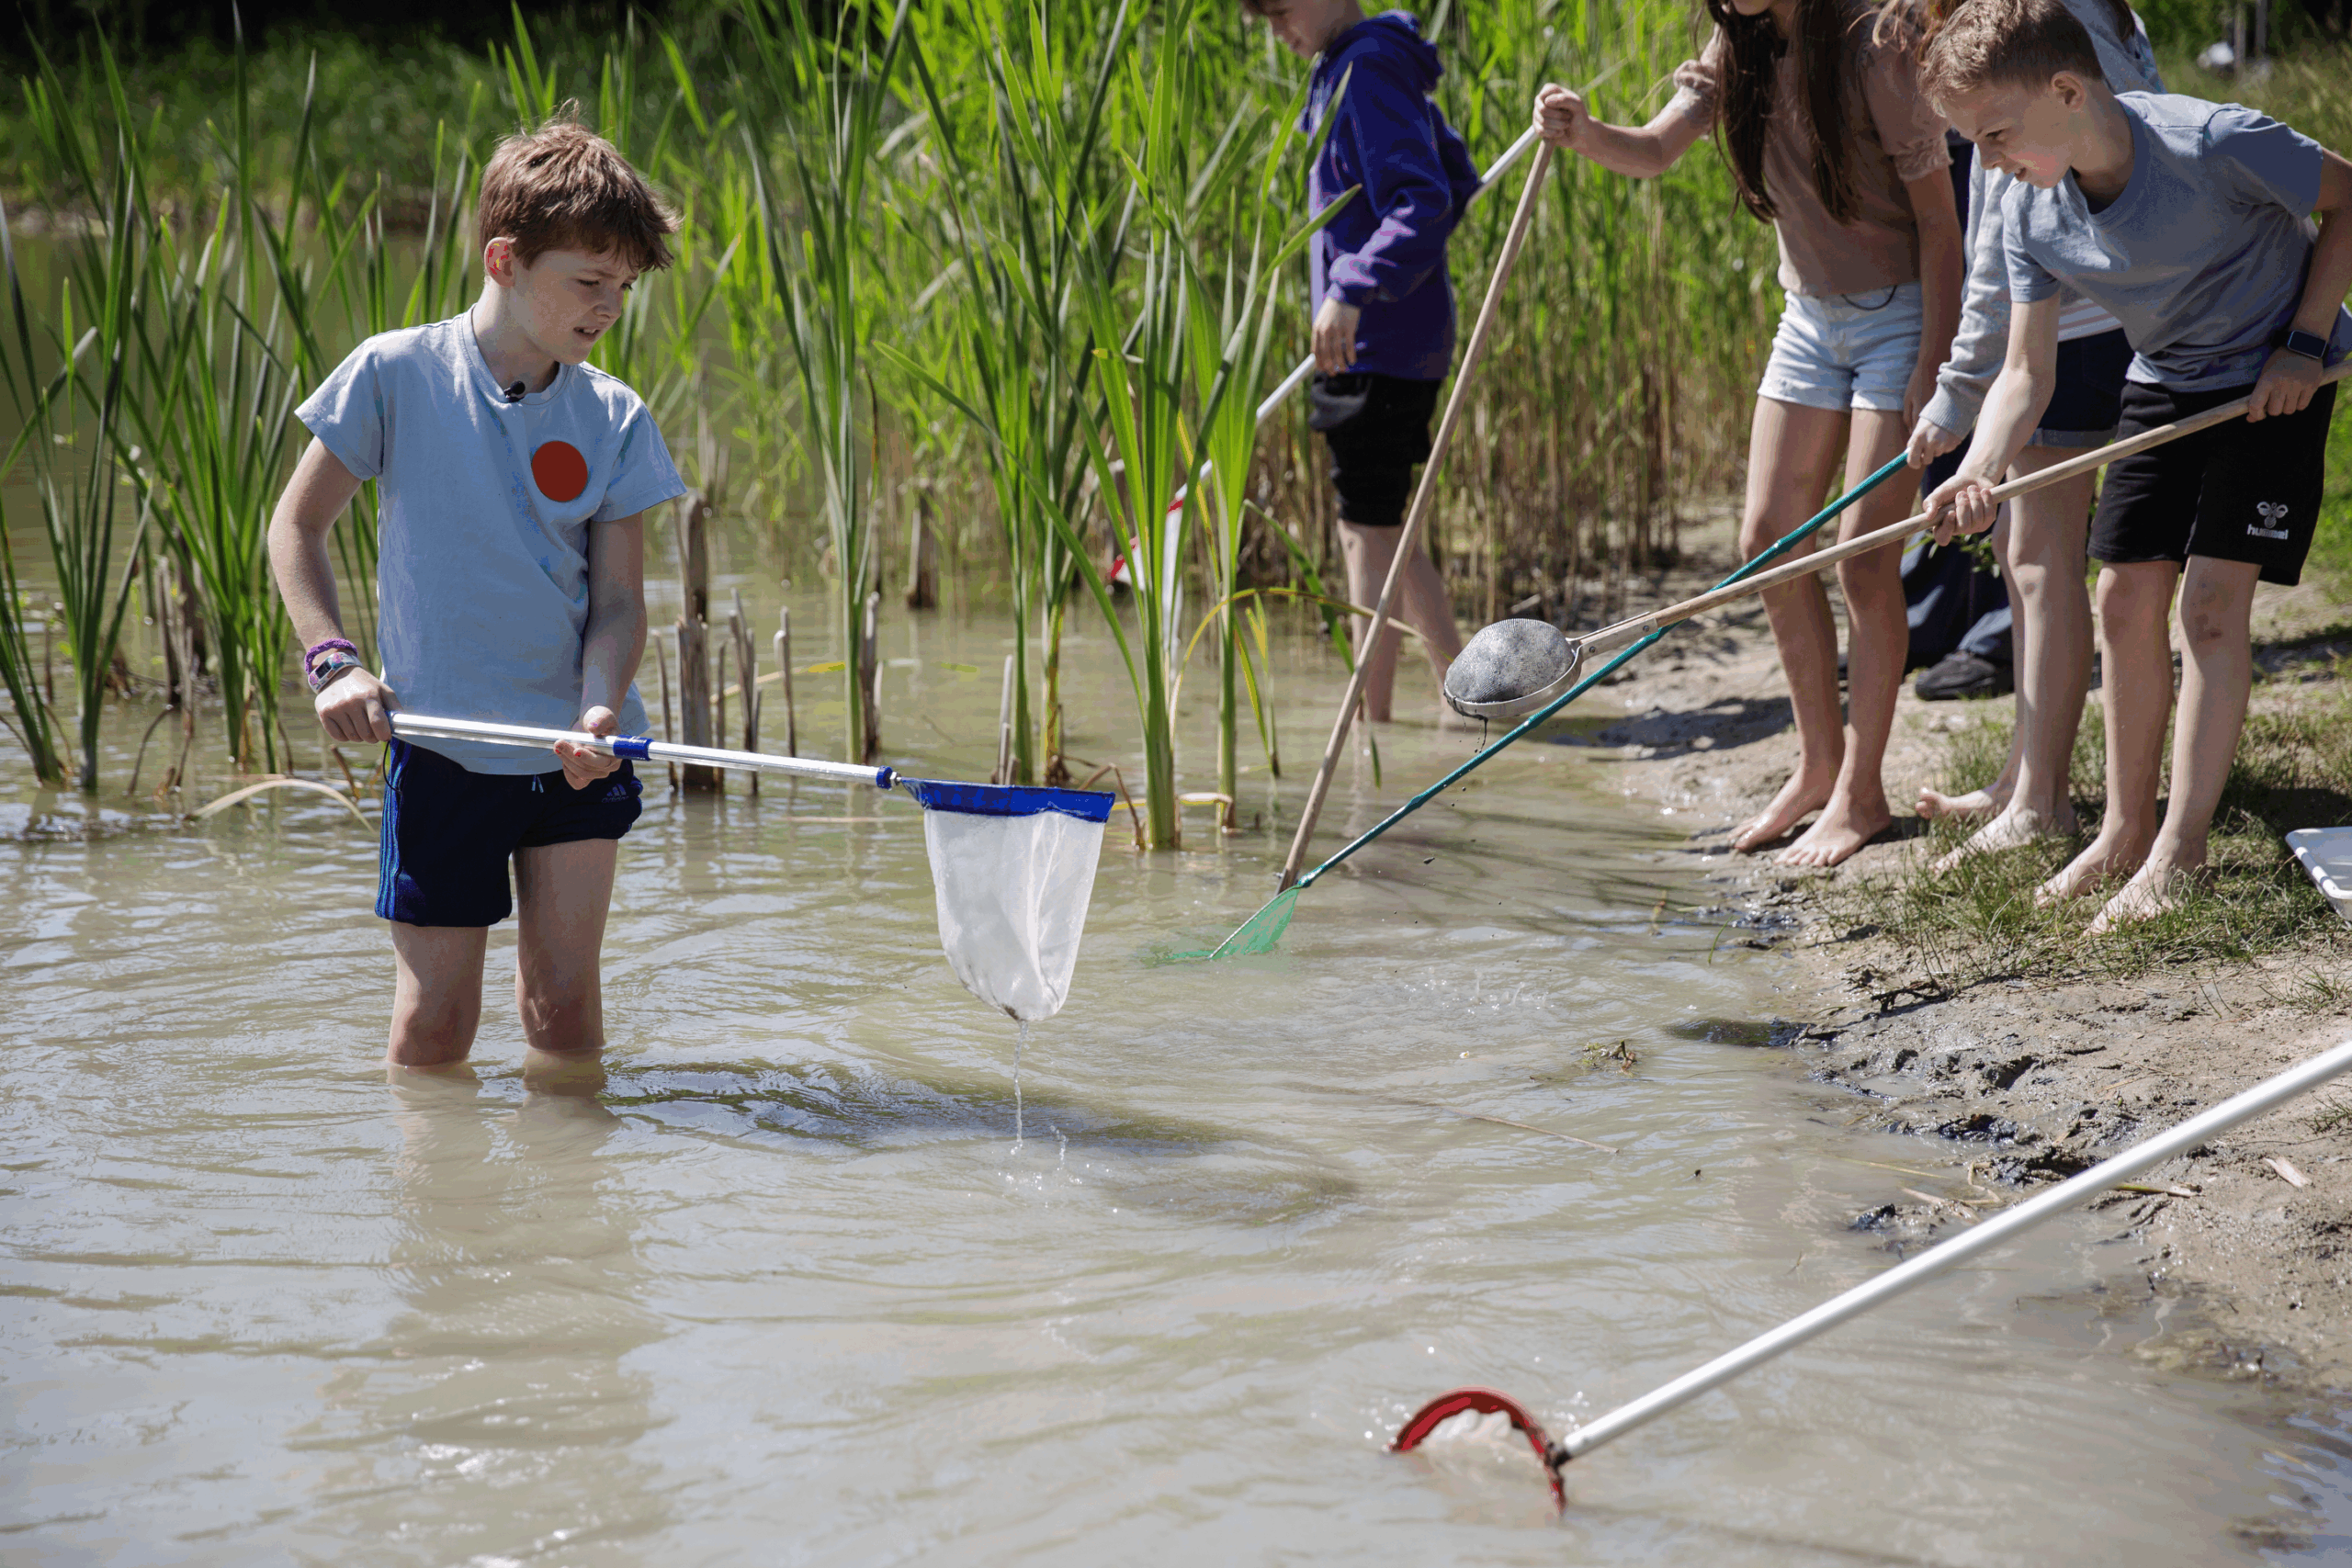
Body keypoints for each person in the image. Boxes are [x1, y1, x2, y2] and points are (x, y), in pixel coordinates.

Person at [1917, 0, 2351, 931]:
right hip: (2165, 378)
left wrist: (2305, 344)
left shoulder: (2212, 141)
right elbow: (2025, 373)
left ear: (2067, 91)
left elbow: (2347, 197)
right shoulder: (2029, 208)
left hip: (2271, 376)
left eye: (1993, 134)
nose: (1984, 162)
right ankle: (2123, 831)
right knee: (2121, 599)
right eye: (1972, 142)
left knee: (2209, 607)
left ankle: (2180, 852)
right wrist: (1979, 468)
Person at [267, 113, 687, 1070]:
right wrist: (333, 662)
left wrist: (599, 709)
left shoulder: (616, 415)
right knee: (434, 1027)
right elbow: (294, 528)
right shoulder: (393, 372)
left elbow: (620, 603)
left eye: (624, 287)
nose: (610, 307)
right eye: (589, 281)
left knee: (564, 1012)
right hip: (443, 750)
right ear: (504, 259)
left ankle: (568, 1174)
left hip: (576, 755)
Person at [1536, 0, 1963, 866]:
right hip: (1808, 318)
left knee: (1861, 557)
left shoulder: (1874, 44)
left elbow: (1939, 225)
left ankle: (1863, 794)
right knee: (1766, 541)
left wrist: (1936, 362)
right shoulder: (1740, 45)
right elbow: (1655, 149)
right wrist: (1583, 132)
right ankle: (1818, 767)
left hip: (1900, 317)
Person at [1905, 0, 2162, 872]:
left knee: (2044, 562)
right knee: (2027, 558)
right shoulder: (2079, 22)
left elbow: (1997, 242)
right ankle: (2025, 773)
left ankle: (2042, 800)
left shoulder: (2030, 41)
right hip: (2085, 324)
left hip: (2072, 330)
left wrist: (1956, 391)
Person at [1248, 0, 1476, 722]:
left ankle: (1369, 730)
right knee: (1384, 529)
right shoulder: (1358, 64)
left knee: (1365, 532)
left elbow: (1424, 200)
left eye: (1280, 12)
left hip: (1377, 345)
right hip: (1382, 342)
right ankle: (1464, 697)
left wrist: (1351, 286)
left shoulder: (1367, 67)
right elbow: (1457, 176)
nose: (1277, 32)